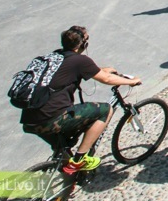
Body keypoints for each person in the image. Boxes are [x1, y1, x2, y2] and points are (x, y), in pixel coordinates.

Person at [20, 25, 142, 175]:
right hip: (53, 118)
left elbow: (81, 71)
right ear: (83, 44)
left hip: (30, 120)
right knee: (105, 110)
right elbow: (107, 79)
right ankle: (80, 159)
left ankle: (65, 188)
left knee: (63, 151)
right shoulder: (80, 60)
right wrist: (132, 81)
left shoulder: (55, 56)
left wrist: (102, 69)